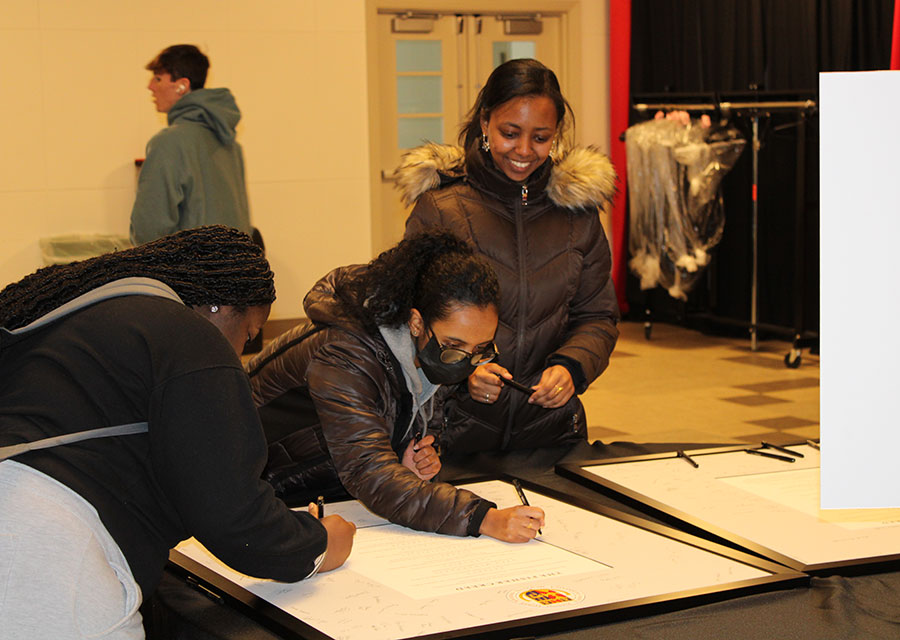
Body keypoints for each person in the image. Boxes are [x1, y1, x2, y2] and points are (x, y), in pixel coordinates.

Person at [0, 226, 355, 639]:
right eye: (251, 332)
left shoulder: (77, 318)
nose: (243, 348)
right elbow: (232, 514)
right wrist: (318, 545)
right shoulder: (189, 337)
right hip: (49, 552)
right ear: (221, 307)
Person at [247, 231, 546, 542]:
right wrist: (483, 518)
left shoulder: (423, 347)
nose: (466, 362)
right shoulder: (344, 353)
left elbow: (391, 427)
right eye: (455, 346)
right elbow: (369, 471)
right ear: (416, 322)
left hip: (330, 495)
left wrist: (410, 452)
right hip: (257, 492)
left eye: (481, 348)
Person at [395, 58, 619, 454]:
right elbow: (406, 322)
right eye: (510, 133)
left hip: (551, 431)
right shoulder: (441, 209)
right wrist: (464, 372)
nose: (524, 151)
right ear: (485, 122)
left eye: (540, 137)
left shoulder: (578, 215)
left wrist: (572, 366)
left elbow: (597, 316)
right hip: (453, 434)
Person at [129, 44, 252, 245]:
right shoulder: (230, 144)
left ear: (182, 85)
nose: (150, 86)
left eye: (158, 78)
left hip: (188, 273)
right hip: (233, 270)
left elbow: (150, 227)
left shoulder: (168, 143)